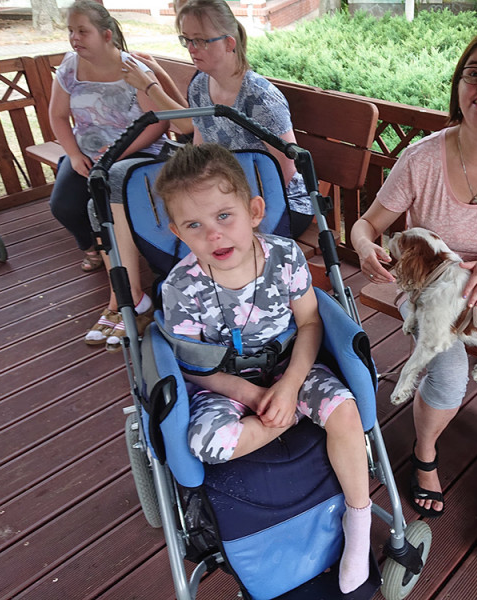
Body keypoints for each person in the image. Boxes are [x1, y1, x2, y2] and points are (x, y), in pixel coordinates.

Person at [350, 30, 477, 517]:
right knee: (448, 372)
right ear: (459, 85)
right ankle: (424, 454)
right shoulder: (422, 157)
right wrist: (363, 246)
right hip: (427, 287)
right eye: (475, 74)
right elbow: (368, 224)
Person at [155, 142, 372, 595]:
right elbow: (191, 365)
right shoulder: (181, 287)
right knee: (207, 444)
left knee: (347, 412)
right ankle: (289, 419)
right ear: (177, 231)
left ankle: (359, 521)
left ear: (254, 211)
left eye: (224, 216)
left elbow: (310, 323)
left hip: (291, 364)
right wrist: (253, 397)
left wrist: (290, 386)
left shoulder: (285, 257)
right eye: (194, 225)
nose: (214, 236)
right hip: (222, 383)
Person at [121, 0, 314, 238]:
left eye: (200, 41)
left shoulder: (260, 97)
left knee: (206, 238)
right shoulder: (200, 86)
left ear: (229, 43)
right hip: (225, 201)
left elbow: (286, 168)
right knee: (170, 226)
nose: (191, 49)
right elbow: (201, 151)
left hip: (281, 203)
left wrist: (235, 210)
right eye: (187, 40)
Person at [47, 0, 171, 350]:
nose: (74, 38)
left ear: (105, 35)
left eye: (82, 31)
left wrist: (118, 152)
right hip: (88, 155)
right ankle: (115, 275)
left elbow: (159, 123)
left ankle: (123, 298)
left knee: (102, 199)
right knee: (65, 205)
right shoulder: (69, 68)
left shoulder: (133, 69)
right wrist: (74, 154)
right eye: (71, 31)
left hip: (137, 153)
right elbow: (58, 116)